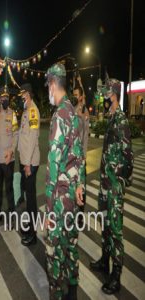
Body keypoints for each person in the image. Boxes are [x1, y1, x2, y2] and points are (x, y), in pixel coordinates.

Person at [45, 63, 85, 299]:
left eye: (48, 87)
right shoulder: (74, 112)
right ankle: (72, 294)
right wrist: (80, 185)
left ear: (52, 85)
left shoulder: (59, 115)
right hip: (72, 198)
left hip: (59, 200)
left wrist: (49, 211)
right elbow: (79, 156)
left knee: (55, 255)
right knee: (71, 248)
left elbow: (53, 166)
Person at [90, 79, 133, 295]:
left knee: (115, 230)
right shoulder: (111, 117)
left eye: (108, 93)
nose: (105, 96)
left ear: (115, 94)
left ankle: (116, 275)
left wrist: (120, 183)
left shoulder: (122, 120)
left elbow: (128, 156)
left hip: (114, 185)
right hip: (105, 184)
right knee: (105, 223)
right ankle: (105, 260)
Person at [0, 86, 18, 224]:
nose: (5, 99)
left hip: (8, 158)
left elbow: (15, 135)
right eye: (3, 97)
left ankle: (12, 210)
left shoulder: (12, 115)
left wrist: (11, 150)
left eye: (7, 97)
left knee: (9, 186)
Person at [18, 83, 40, 246]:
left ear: (29, 94)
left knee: (31, 199)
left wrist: (27, 164)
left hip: (30, 162)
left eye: (23, 95)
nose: (21, 98)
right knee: (28, 196)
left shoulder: (32, 110)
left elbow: (32, 139)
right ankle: (30, 227)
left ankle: (33, 234)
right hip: (25, 160)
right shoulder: (26, 110)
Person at [73, 84, 89, 226]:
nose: (75, 97)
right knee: (73, 184)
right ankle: (73, 211)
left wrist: (83, 155)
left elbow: (85, 136)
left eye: (77, 95)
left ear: (81, 96)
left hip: (81, 157)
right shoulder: (72, 109)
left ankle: (80, 216)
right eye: (74, 95)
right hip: (72, 156)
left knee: (81, 186)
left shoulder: (84, 111)